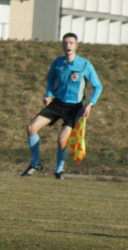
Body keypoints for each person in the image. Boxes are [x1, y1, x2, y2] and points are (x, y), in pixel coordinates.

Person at [22, 32, 102, 179]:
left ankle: (59, 170)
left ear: (76, 46)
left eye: (71, 43)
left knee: (61, 140)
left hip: (74, 108)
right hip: (57, 104)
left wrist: (90, 104)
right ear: (62, 46)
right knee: (31, 128)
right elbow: (50, 80)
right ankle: (35, 163)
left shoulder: (85, 64)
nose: (68, 45)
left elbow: (98, 87)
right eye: (65, 43)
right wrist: (48, 94)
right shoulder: (57, 63)